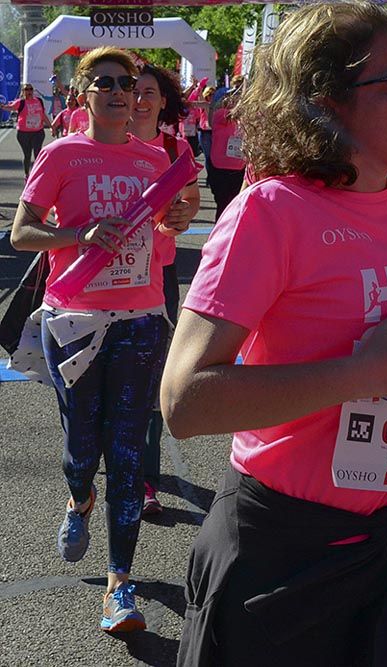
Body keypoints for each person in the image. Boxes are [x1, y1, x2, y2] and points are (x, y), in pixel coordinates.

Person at [158, 5, 387, 664]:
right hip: (295, 560)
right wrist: (363, 374)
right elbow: (185, 401)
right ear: (328, 102)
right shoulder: (269, 214)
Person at [9, 46, 186, 633]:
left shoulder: (153, 159)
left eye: (128, 83)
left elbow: (159, 240)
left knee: (129, 453)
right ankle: (78, 496)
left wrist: (172, 224)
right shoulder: (62, 153)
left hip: (137, 318)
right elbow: (21, 233)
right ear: (83, 95)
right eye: (105, 82)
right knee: (81, 447)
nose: (119, 92)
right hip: (74, 320)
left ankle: (119, 584)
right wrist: (77, 232)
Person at [129, 63, 201, 515]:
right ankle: (93, 459)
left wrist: (184, 215)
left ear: (162, 100)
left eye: (148, 92)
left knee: (150, 377)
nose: (138, 99)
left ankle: (145, 479)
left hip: (156, 279)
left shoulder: (176, 148)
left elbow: (190, 198)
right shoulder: (90, 146)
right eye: (131, 90)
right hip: (95, 288)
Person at [208, 85, 246, 220]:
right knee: (223, 202)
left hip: (234, 165)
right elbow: (231, 113)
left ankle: (225, 225)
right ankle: (223, 226)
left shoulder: (242, 118)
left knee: (228, 202)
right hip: (223, 165)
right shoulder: (220, 115)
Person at [2, 83, 51, 178]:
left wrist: (51, 126)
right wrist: (2, 107)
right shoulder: (21, 102)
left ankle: (37, 174)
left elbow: (43, 115)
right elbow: (11, 107)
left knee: (38, 153)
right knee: (27, 154)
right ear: (23, 91)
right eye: (26, 89)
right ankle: (27, 174)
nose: (29, 91)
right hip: (23, 133)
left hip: (38, 132)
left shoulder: (39, 101)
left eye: (30, 89)